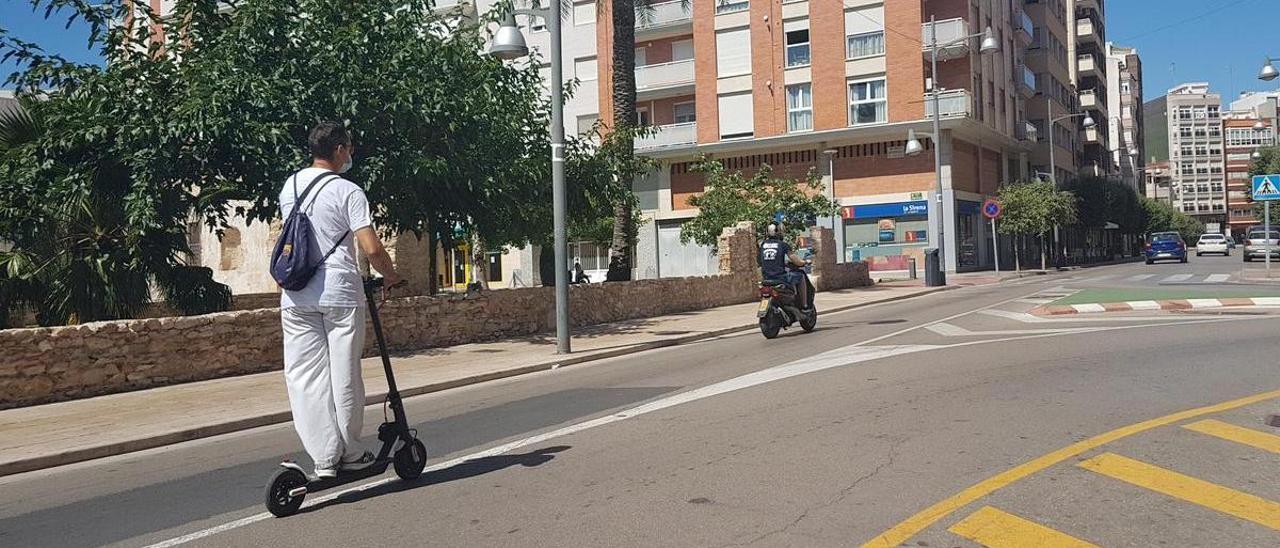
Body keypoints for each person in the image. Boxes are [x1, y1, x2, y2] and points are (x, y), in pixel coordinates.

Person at [279, 122, 404, 479]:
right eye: (348, 148)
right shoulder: (348, 191)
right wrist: (391, 276)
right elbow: (372, 248)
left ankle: (323, 456)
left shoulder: (290, 186)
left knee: (304, 376)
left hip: (296, 293)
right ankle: (349, 451)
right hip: (339, 293)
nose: (350, 154)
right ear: (338, 150)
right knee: (344, 374)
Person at [759, 223, 811, 312]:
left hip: (766, 278)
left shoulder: (763, 245)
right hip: (780, 278)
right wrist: (805, 262)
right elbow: (797, 261)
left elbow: (762, 261)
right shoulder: (782, 245)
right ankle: (804, 305)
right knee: (800, 276)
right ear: (780, 232)